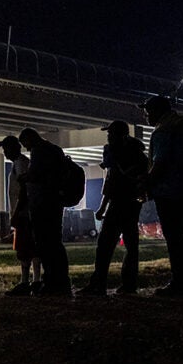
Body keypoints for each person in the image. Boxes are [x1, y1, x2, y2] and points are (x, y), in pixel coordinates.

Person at [77, 120, 149, 296]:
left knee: (105, 245)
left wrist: (103, 207)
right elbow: (112, 180)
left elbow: (113, 181)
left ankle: (99, 284)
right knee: (130, 245)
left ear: (120, 135)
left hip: (122, 202)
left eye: (111, 134)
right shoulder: (136, 152)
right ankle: (128, 284)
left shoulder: (121, 152)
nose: (108, 137)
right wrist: (102, 207)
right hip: (131, 203)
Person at [143, 95, 183, 296]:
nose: (146, 117)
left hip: (168, 191)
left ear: (157, 111)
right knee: (180, 237)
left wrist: (146, 184)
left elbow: (160, 163)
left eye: (148, 112)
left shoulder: (163, 131)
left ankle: (180, 284)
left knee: (173, 237)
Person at [18, 128, 71, 296]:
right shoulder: (54, 149)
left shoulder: (39, 151)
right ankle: (61, 281)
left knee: (45, 244)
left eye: (25, 144)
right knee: (55, 242)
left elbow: (37, 175)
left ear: (30, 139)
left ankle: (51, 282)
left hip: (43, 204)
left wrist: (26, 178)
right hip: (55, 203)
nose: (25, 149)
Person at [0, 135, 41, 296]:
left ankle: (28, 281)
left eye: (6, 149)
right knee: (30, 247)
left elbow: (24, 189)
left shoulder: (21, 164)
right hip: (26, 212)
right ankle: (34, 280)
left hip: (24, 213)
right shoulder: (20, 163)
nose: (5, 153)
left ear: (15, 148)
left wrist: (16, 213)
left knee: (25, 248)